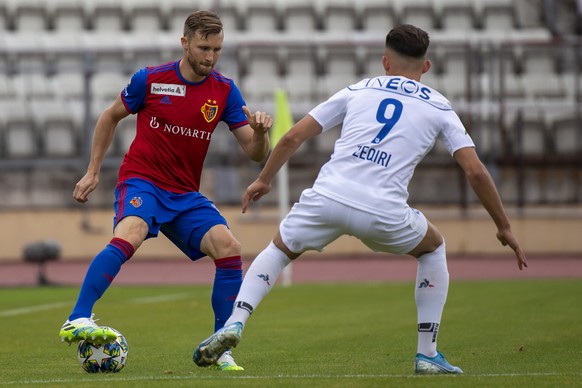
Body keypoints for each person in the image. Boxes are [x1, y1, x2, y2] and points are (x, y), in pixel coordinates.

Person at [192, 24, 528, 374]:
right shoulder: (440, 106)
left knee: (278, 250)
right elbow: (476, 171)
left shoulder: (358, 89)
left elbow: (292, 136)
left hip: (328, 198)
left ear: (385, 61)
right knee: (433, 247)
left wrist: (263, 179)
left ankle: (236, 321)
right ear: (425, 67)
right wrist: (503, 226)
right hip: (384, 212)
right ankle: (427, 354)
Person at [58, 10, 272, 372]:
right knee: (133, 231)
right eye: (204, 47)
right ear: (185, 43)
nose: (210, 56)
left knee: (229, 248)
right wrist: (93, 170)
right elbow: (110, 116)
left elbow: (254, 153)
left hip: (185, 194)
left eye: (217, 49)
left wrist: (262, 131)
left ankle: (221, 346)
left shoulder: (224, 91)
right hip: (142, 179)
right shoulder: (150, 80)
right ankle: (78, 318)